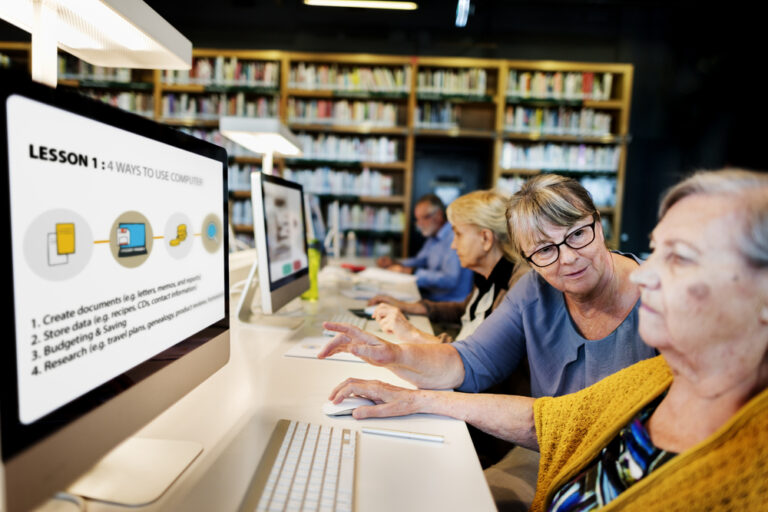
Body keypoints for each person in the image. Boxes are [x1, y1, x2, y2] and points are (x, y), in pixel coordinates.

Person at [325, 169, 768, 511]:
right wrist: (401, 365)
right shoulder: (649, 378)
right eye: (544, 250)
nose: (645, 273)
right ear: (528, 258)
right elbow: (548, 416)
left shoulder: (672, 342)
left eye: (577, 234)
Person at [368, 189, 529, 344]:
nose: (453, 245)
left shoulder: (516, 288)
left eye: (458, 234)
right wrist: (407, 307)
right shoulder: (487, 275)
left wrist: (412, 334)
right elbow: (463, 310)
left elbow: (480, 359)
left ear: (486, 238)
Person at [376, 194, 473, 302]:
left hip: (447, 303)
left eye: (425, 218)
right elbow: (420, 261)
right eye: (418, 219)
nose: (420, 224)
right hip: (430, 297)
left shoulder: (452, 238)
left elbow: (449, 280)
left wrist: (412, 272)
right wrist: (396, 262)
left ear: (439, 215)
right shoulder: (433, 236)